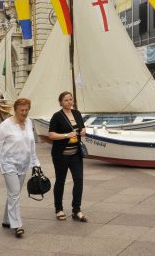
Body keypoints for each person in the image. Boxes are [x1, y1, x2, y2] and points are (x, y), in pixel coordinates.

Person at [0, 98, 40, 237]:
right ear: (15, 110)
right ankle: (17, 224)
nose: (24, 113)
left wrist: (36, 163)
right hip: (8, 163)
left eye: (26, 110)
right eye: (21, 110)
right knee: (15, 192)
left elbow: (32, 145)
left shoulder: (29, 122)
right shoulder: (6, 125)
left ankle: (7, 220)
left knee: (14, 193)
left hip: (23, 163)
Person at [47, 91, 88, 223]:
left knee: (79, 180)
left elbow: (82, 128)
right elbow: (51, 135)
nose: (69, 102)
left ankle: (76, 210)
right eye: (66, 100)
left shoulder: (77, 113)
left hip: (76, 154)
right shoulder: (57, 116)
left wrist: (83, 131)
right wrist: (66, 135)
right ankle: (59, 209)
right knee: (60, 181)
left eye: (71, 99)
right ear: (61, 102)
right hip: (61, 155)